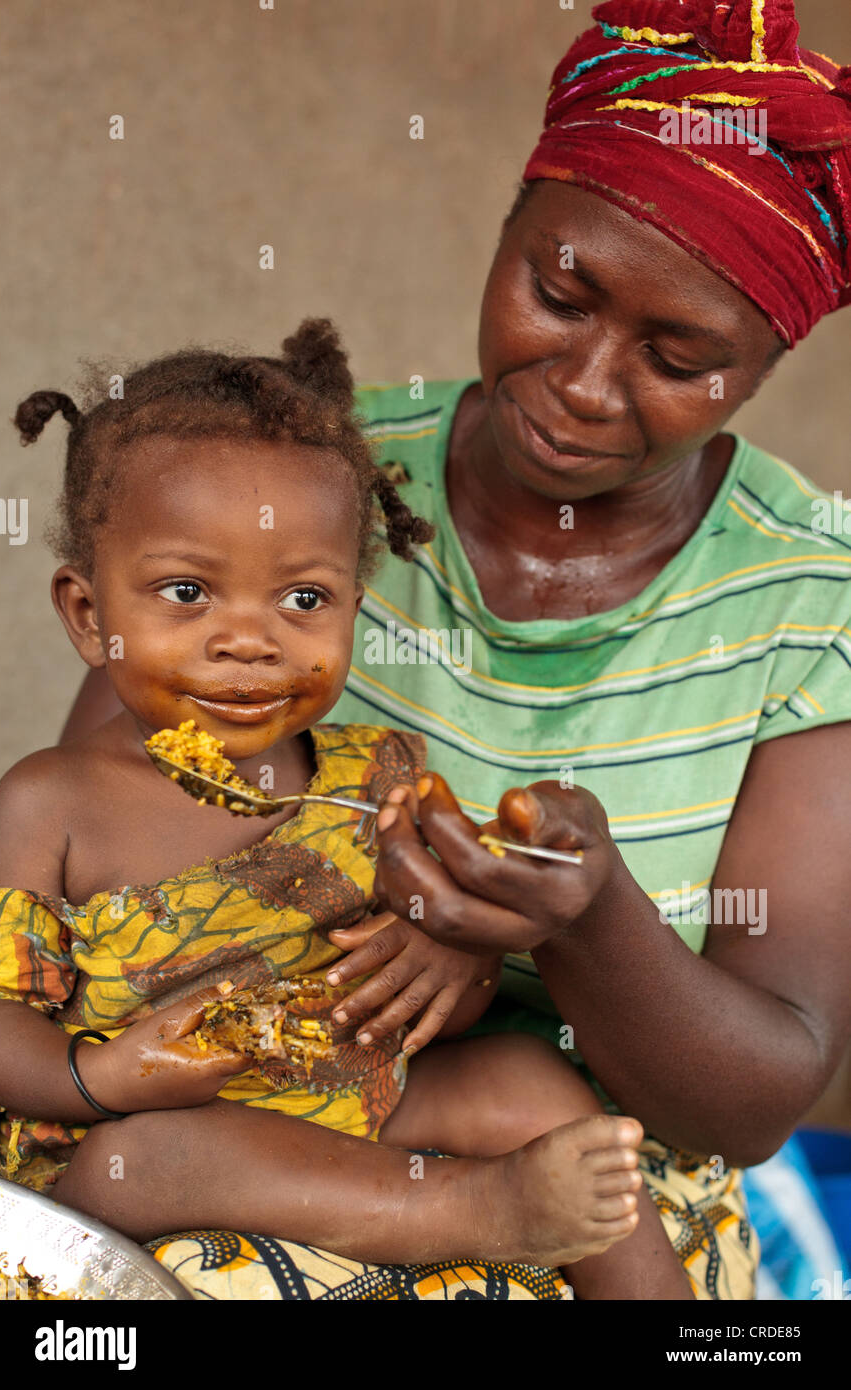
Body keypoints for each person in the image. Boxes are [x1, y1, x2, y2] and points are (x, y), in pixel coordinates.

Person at [55, 0, 851, 1301]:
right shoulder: (304, 479)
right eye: (558, 293)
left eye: (677, 357)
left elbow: (756, 1095)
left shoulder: (810, 598)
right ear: (508, 229)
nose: (587, 381)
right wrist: (396, 902)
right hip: (246, 1101)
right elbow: (105, 831)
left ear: (760, 367)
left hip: (602, 1193)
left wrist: (589, 926)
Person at [0, 317, 691, 1302]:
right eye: (187, 592)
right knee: (129, 1169)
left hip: (356, 1101)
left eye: (303, 600)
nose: (248, 640)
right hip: (150, 1129)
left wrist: (454, 950)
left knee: (530, 1088)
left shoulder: (377, 777)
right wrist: (102, 1077)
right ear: (89, 614)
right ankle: (469, 1210)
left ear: (354, 603)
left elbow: (450, 991)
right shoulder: (47, 802)